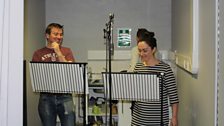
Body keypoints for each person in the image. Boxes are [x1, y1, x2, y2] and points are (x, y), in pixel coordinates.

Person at [32, 23, 76, 126]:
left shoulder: (67, 51)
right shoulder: (38, 53)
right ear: (47, 35)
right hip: (46, 97)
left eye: (61, 34)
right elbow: (37, 77)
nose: (59, 37)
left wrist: (58, 51)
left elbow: (70, 71)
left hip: (66, 96)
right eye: (55, 34)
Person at [131, 32, 179, 126]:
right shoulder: (138, 67)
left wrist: (174, 117)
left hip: (158, 121)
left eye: (145, 50)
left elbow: (174, 97)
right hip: (138, 120)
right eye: (139, 51)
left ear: (153, 49)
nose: (141, 54)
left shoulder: (165, 69)